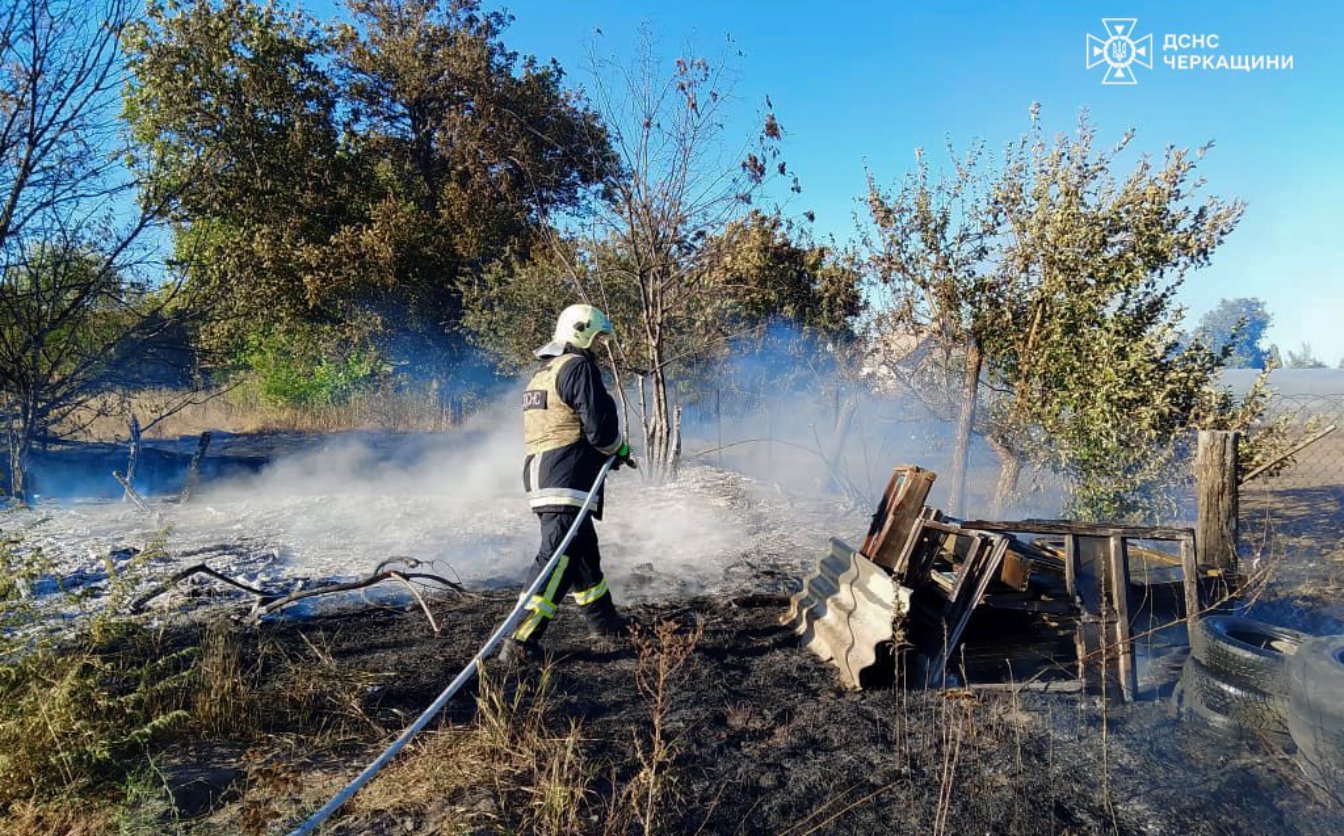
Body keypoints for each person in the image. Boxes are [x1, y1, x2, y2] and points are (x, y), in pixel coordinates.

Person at [499, 303, 636, 665]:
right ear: (582, 333)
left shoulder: (545, 371)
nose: (597, 347)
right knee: (557, 557)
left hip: (542, 472)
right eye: (596, 338)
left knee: (583, 554)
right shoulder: (579, 367)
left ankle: (605, 625)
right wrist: (619, 448)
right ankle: (520, 639)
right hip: (566, 474)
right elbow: (600, 430)